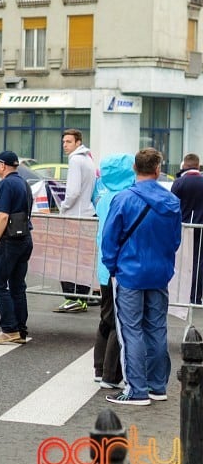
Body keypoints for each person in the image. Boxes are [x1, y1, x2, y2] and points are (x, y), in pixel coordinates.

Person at [102, 148, 182, 406]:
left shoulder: (124, 198)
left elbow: (110, 238)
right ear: (158, 169)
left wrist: (112, 267)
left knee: (131, 331)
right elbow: (175, 240)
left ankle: (136, 389)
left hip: (130, 273)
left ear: (135, 169)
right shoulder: (171, 201)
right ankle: (158, 386)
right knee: (157, 329)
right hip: (159, 272)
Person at [92, 153, 134, 390]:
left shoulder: (104, 198)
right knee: (119, 322)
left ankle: (99, 369)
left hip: (104, 268)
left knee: (106, 319)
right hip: (118, 266)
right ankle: (111, 374)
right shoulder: (124, 198)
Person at [0, 151, 33, 345]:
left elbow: (3, 216)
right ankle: (20, 329)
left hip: (9, 241)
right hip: (24, 238)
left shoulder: (5, 184)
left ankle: (10, 328)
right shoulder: (23, 183)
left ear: (3, 165)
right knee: (17, 286)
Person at [55, 128, 98, 312]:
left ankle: (72, 298)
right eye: (64, 142)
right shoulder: (88, 159)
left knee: (67, 259)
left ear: (78, 142)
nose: (65, 145)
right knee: (84, 259)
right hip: (88, 214)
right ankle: (82, 297)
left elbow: (72, 192)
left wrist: (63, 207)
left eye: (69, 142)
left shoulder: (75, 160)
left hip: (75, 216)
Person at [172, 153, 203, 304]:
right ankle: (196, 296)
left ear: (184, 165)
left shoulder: (179, 183)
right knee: (199, 262)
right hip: (201, 229)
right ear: (198, 165)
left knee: (182, 262)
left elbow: (172, 206)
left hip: (183, 228)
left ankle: (181, 294)